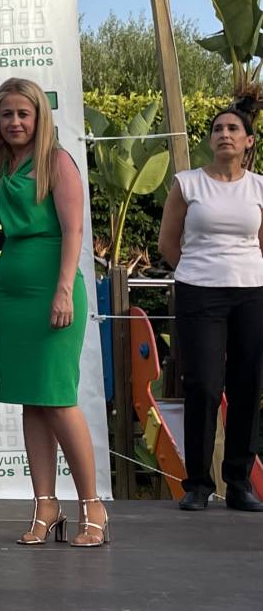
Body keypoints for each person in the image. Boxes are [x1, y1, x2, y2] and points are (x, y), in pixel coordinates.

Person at [0, 78, 107, 547]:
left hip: (51, 287)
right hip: (11, 289)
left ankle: (92, 505)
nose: (15, 122)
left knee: (57, 398)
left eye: (24, 113)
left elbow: (74, 231)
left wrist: (62, 291)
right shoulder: (1, 164)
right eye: (6, 114)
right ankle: (45, 506)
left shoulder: (57, 161)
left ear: (40, 117)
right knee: (31, 401)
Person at [158, 97, 263, 513]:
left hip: (252, 292)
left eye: (233, 129)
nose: (224, 135)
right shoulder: (188, 184)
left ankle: (238, 483)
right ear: (210, 139)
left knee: (247, 385)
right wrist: (197, 273)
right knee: (203, 384)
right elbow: (168, 243)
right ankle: (199, 484)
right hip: (199, 291)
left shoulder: (259, 187)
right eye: (218, 129)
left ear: (248, 141)